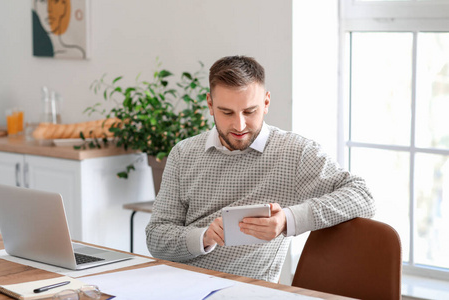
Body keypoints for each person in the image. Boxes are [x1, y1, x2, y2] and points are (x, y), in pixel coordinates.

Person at [146, 55, 375, 283]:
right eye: (226, 112)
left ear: (266, 103)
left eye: (249, 111)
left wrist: (287, 219)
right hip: (176, 284)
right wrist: (203, 237)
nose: (239, 125)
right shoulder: (183, 153)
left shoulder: (295, 153)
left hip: (247, 291)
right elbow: (156, 238)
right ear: (210, 104)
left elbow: (362, 196)